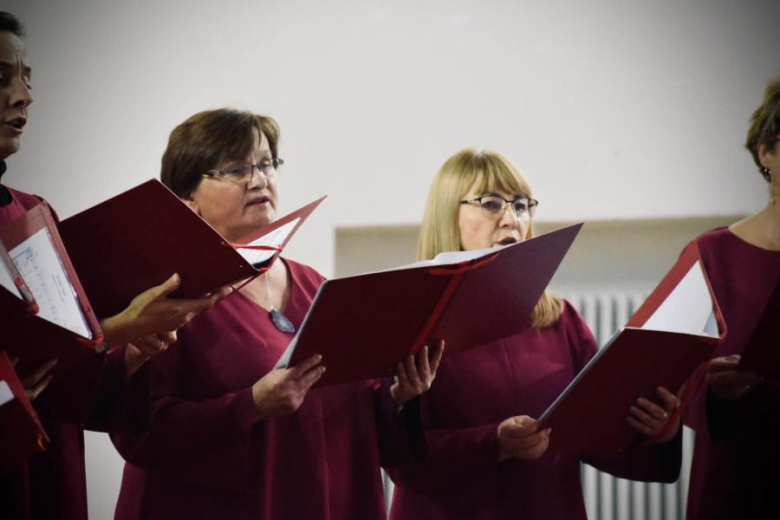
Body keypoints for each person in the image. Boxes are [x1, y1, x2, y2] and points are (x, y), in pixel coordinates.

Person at [111, 108, 444, 519]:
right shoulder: (169, 298)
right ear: (187, 199)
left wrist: (399, 397)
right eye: (235, 168)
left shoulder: (316, 286)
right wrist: (251, 405)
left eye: (266, 164)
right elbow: (143, 433)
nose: (259, 179)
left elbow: (351, 410)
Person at [0, 12, 229, 519]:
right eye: (3, 77)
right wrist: (122, 326)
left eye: (27, 78)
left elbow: (66, 384)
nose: (23, 96)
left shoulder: (31, 213)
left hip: (45, 466)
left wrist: (131, 350)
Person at [387, 149, 683, 519]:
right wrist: (493, 443)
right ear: (449, 214)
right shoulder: (414, 322)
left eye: (522, 206)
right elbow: (403, 464)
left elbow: (597, 437)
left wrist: (661, 431)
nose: (512, 219)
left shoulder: (559, 319)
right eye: (492, 203)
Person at [683, 78, 780, 519]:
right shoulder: (712, 254)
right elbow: (661, 380)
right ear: (766, 150)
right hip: (737, 481)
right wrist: (715, 390)